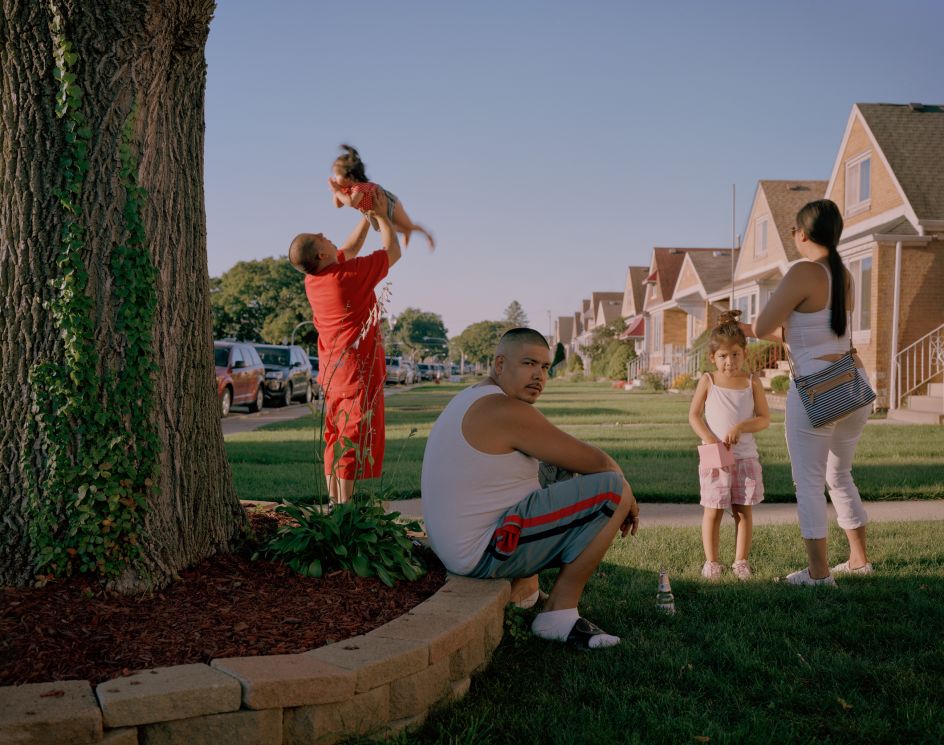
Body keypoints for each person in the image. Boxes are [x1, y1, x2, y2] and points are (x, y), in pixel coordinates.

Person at [421, 328, 640, 650]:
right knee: (613, 491)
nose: (539, 375)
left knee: (556, 468)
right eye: (528, 363)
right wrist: (628, 498)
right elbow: (602, 465)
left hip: (459, 547)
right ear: (499, 364)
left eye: (545, 367)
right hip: (481, 553)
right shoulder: (503, 409)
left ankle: (529, 589)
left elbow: (572, 457)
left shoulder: (474, 397)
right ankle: (558, 617)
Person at [748, 198, 873, 586]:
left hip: (817, 390)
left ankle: (818, 574)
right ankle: (858, 560)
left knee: (809, 480)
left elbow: (759, 326)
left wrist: (789, 334)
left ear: (802, 234)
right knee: (840, 474)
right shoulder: (844, 274)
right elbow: (826, 330)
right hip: (852, 384)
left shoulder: (803, 271)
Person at [288, 190, 399, 506]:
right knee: (351, 442)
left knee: (334, 439)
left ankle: (334, 505)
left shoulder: (317, 279)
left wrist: (364, 216)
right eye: (320, 238)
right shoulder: (346, 278)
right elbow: (393, 252)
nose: (325, 235)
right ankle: (344, 512)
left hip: (333, 375)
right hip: (356, 373)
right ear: (321, 255)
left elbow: (347, 249)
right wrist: (382, 215)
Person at [688, 310, 770, 581]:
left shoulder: (751, 382)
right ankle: (712, 562)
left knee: (742, 512)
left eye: (735, 354)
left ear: (745, 353)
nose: (729, 361)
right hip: (715, 457)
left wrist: (741, 427)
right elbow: (693, 415)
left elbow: (764, 418)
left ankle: (740, 562)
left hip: (745, 457)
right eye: (723, 356)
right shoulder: (708, 381)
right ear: (713, 357)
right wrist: (710, 439)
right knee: (713, 511)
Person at [329, 144, 435, 250]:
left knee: (408, 225)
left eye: (337, 174)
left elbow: (352, 202)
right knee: (388, 228)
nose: (334, 177)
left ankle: (426, 234)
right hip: (375, 212)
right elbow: (338, 205)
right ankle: (405, 231)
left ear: (349, 176)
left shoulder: (360, 186)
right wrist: (336, 191)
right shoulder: (345, 189)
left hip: (390, 204)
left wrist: (337, 191)